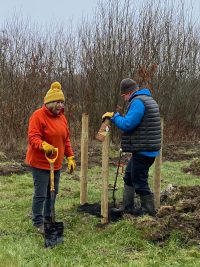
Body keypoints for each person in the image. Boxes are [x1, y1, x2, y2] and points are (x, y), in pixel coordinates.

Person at [102, 78, 161, 216]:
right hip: (145, 148)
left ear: (129, 92)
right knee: (129, 176)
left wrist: (114, 116)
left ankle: (148, 213)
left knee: (139, 182)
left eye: (124, 96)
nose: (124, 99)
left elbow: (128, 124)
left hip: (144, 150)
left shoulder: (138, 102)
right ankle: (127, 208)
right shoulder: (147, 99)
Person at [26, 81, 76, 233]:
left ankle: (49, 217)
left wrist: (70, 157)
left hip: (56, 163)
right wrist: (44, 146)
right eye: (57, 102)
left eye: (62, 102)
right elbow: (33, 137)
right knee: (41, 194)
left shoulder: (62, 118)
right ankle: (37, 221)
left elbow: (65, 139)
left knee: (53, 192)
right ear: (49, 102)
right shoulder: (38, 116)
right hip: (40, 163)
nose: (60, 105)